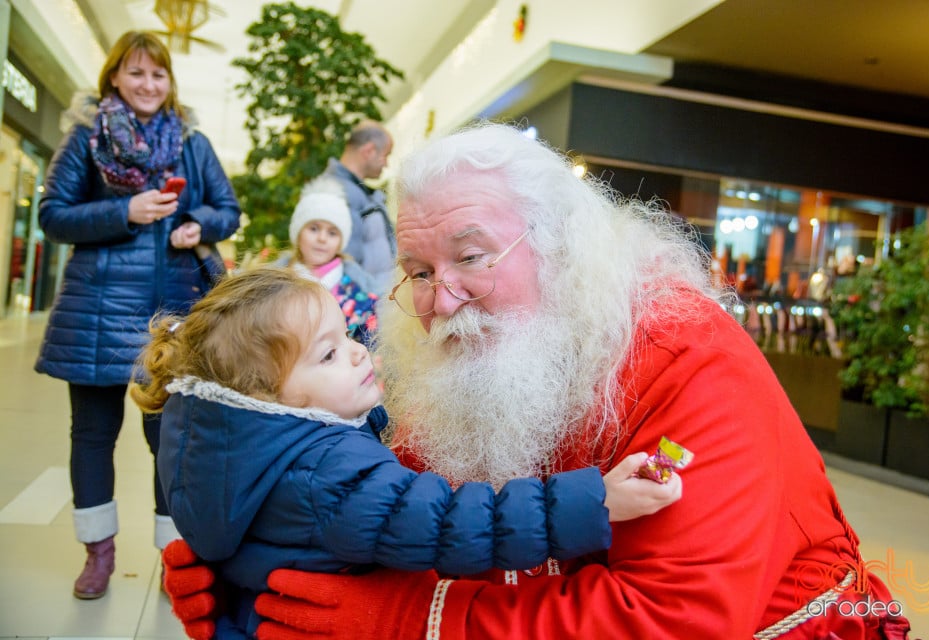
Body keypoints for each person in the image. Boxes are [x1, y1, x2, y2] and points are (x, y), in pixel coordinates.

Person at [164, 123, 913, 639]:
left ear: (557, 247)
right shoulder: (463, 358)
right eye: (419, 271)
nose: (439, 298)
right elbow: (395, 512)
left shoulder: (688, 354)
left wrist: (406, 622)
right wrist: (251, 563)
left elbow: (675, 620)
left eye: (472, 256)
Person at [130, 267, 681, 637]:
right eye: (326, 356)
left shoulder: (226, 445)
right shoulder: (331, 474)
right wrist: (595, 501)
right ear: (270, 399)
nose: (354, 352)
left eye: (345, 335)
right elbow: (458, 524)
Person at [33, 30, 241, 600]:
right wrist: (124, 209)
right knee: (93, 435)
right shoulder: (85, 138)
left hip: (170, 313)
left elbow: (228, 208)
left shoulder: (191, 143)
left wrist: (201, 222)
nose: (148, 84)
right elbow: (52, 215)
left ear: (170, 83)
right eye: (137, 72)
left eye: (159, 74)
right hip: (95, 311)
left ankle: (174, 556)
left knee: (170, 438)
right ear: (114, 78)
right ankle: (98, 554)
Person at [304, 120, 395, 295]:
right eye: (386, 155)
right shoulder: (338, 191)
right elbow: (343, 260)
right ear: (368, 151)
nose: (386, 164)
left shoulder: (357, 191)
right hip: (361, 306)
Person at [287, 178, 378, 345]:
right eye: (313, 228)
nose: (322, 238)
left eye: (332, 233)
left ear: (341, 242)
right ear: (298, 232)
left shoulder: (360, 297)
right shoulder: (275, 286)